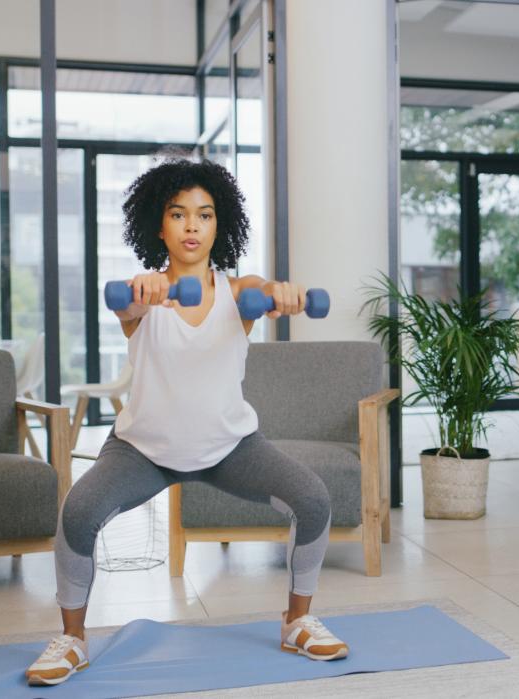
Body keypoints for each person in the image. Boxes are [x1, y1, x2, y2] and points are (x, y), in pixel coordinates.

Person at [26, 159, 346, 687]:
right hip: (143, 450)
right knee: (78, 512)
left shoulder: (238, 291)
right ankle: (73, 641)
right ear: (160, 225)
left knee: (312, 500)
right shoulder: (144, 293)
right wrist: (143, 295)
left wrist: (282, 294)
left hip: (229, 446)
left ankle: (297, 621)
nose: (192, 226)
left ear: (220, 226)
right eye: (178, 214)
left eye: (204, 214)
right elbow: (126, 304)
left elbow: (262, 289)